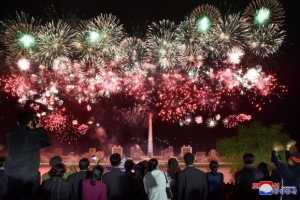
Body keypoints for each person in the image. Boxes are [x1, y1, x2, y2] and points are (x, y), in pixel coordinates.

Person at [5, 112, 52, 200]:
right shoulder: (32, 135)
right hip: (27, 176)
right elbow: (48, 142)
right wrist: (40, 128)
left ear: (18, 122)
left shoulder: (10, 135)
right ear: (31, 122)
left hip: (11, 173)